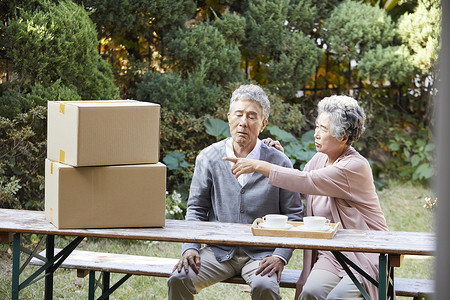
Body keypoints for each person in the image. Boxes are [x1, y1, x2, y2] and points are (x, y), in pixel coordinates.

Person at [224, 95, 388, 300]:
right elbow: (297, 188)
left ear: (344, 137)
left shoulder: (354, 166)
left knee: (337, 298)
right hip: (333, 254)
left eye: (324, 129)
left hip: (365, 253)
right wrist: (279, 159)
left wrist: (259, 165)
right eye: (317, 126)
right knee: (309, 293)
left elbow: (307, 181)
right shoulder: (320, 159)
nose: (316, 134)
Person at [167, 84, 304, 300]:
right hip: (218, 251)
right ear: (229, 117)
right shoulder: (209, 158)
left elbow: (295, 215)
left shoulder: (278, 162)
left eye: (251, 116)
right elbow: (196, 208)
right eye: (238, 114)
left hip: (262, 254)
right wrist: (190, 248)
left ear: (263, 124)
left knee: (265, 286)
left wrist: (280, 256)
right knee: (178, 279)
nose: (243, 122)